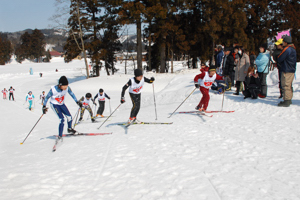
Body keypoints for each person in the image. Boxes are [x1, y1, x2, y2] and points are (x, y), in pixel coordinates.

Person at [277, 36, 297, 107]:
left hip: (286, 69)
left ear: (286, 42)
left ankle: (287, 100)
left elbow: (280, 58)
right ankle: (289, 98)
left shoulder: (287, 49)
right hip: (291, 69)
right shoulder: (293, 48)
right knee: (289, 84)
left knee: (285, 85)